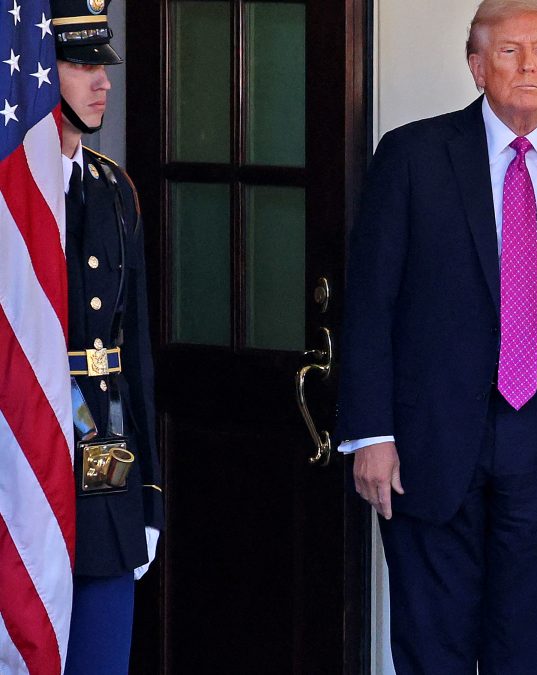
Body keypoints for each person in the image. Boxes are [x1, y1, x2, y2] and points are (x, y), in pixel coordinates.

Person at [334, 1, 537, 671]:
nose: (527, 65)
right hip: (428, 425)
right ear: (475, 64)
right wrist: (371, 432)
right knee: (435, 641)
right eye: (509, 50)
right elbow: (369, 299)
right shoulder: (412, 156)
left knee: (531, 638)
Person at [51, 1, 162, 673]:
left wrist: (145, 494)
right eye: (80, 64)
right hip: (21, 464)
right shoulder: (12, 190)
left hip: (104, 456)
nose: (102, 82)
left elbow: (134, 356)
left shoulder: (114, 188)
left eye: (103, 64)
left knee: (100, 655)